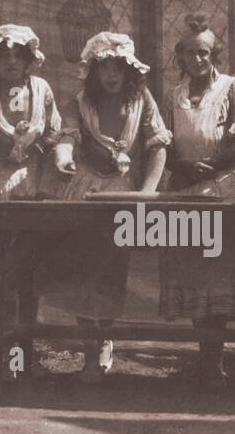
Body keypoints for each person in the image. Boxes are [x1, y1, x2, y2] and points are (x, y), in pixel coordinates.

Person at [51, 32, 171, 383]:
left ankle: (105, 341)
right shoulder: (79, 102)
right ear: (93, 70)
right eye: (105, 67)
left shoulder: (142, 100)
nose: (112, 75)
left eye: (119, 68)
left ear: (129, 71)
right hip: (85, 190)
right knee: (84, 270)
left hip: (122, 194)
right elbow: (68, 137)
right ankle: (90, 353)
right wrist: (63, 157)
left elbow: (158, 145)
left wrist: (147, 192)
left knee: (111, 270)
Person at [158, 13, 235, 390]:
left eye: (205, 53)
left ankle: (216, 362)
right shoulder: (173, 95)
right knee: (194, 278)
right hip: (184, 190)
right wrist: (182, 166)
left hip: (222, 189)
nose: (198, 60)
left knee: (219, 276)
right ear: (179, 56)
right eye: (190, 53)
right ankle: (204, 361)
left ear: (215, 55)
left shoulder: (232, 88)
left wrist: (209, 166)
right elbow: (161, 145)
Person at [0, 24, 67, 200]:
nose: (12, 62)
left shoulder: (41, 88)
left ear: (27, 60)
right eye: (4, 57)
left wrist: (53, 174)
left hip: (38, 179)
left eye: (18, 56)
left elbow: (54, 138)